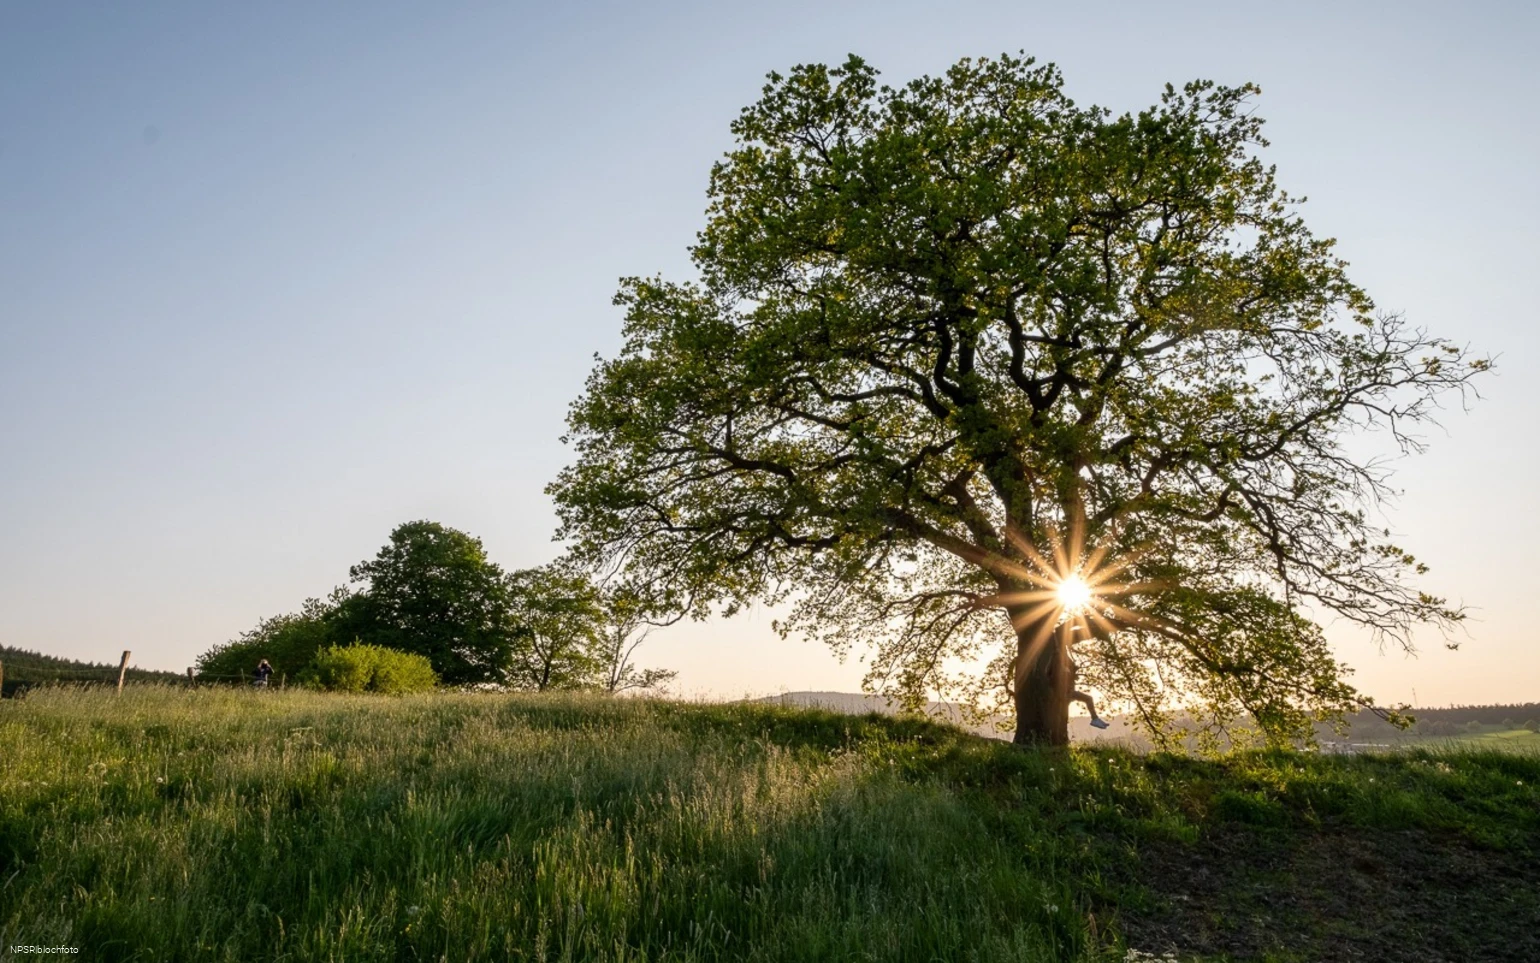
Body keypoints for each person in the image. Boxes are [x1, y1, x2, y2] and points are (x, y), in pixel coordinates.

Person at [1069, 658, 1110, 729]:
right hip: (1067, 692)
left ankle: (1095, 718)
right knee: (1088, 699)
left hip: (1069, 691)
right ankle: (1095, 719)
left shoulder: (1065, 664)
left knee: (1089, 699)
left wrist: (1073, 675)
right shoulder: (1061, 665)